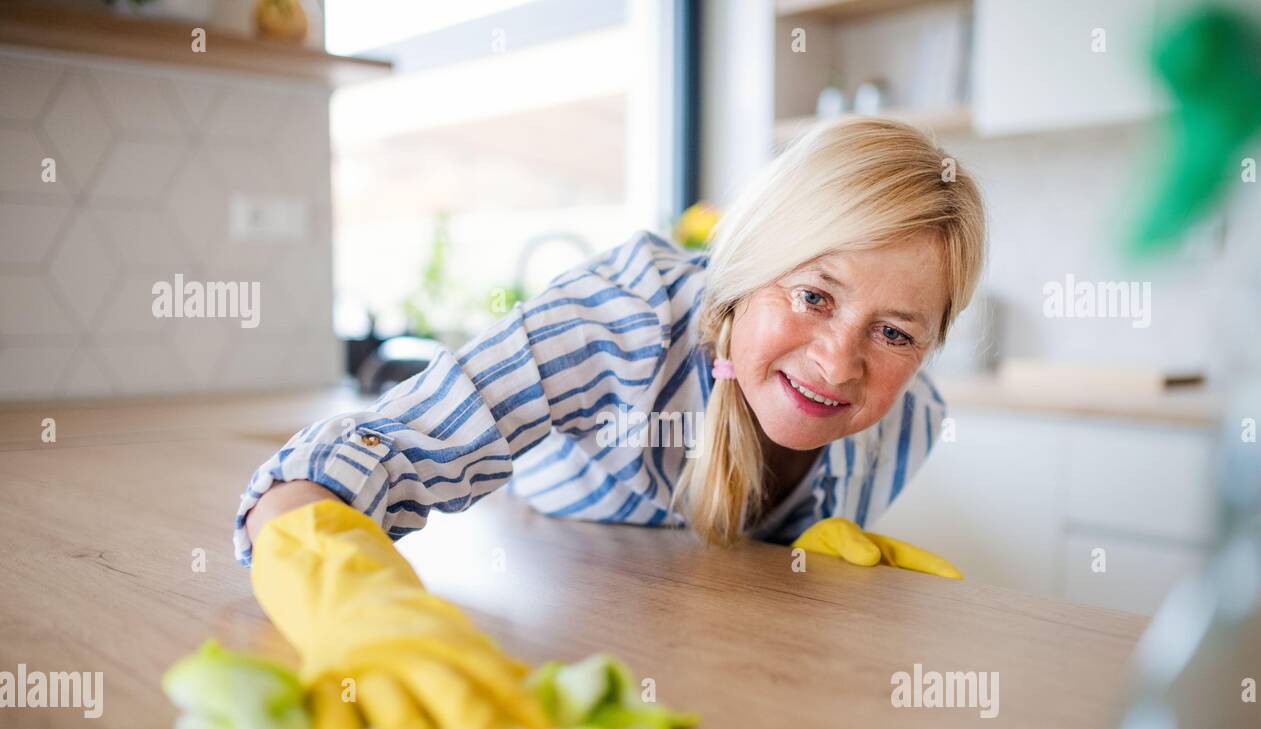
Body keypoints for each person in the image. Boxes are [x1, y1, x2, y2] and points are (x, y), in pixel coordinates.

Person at [238, 116, 985, 575]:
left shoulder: (909, 428)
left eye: (894, 333)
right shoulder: (619, 323)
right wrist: (328, 583)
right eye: (813, 296)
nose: (837, 361)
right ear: (748, 267)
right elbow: (376, 456)